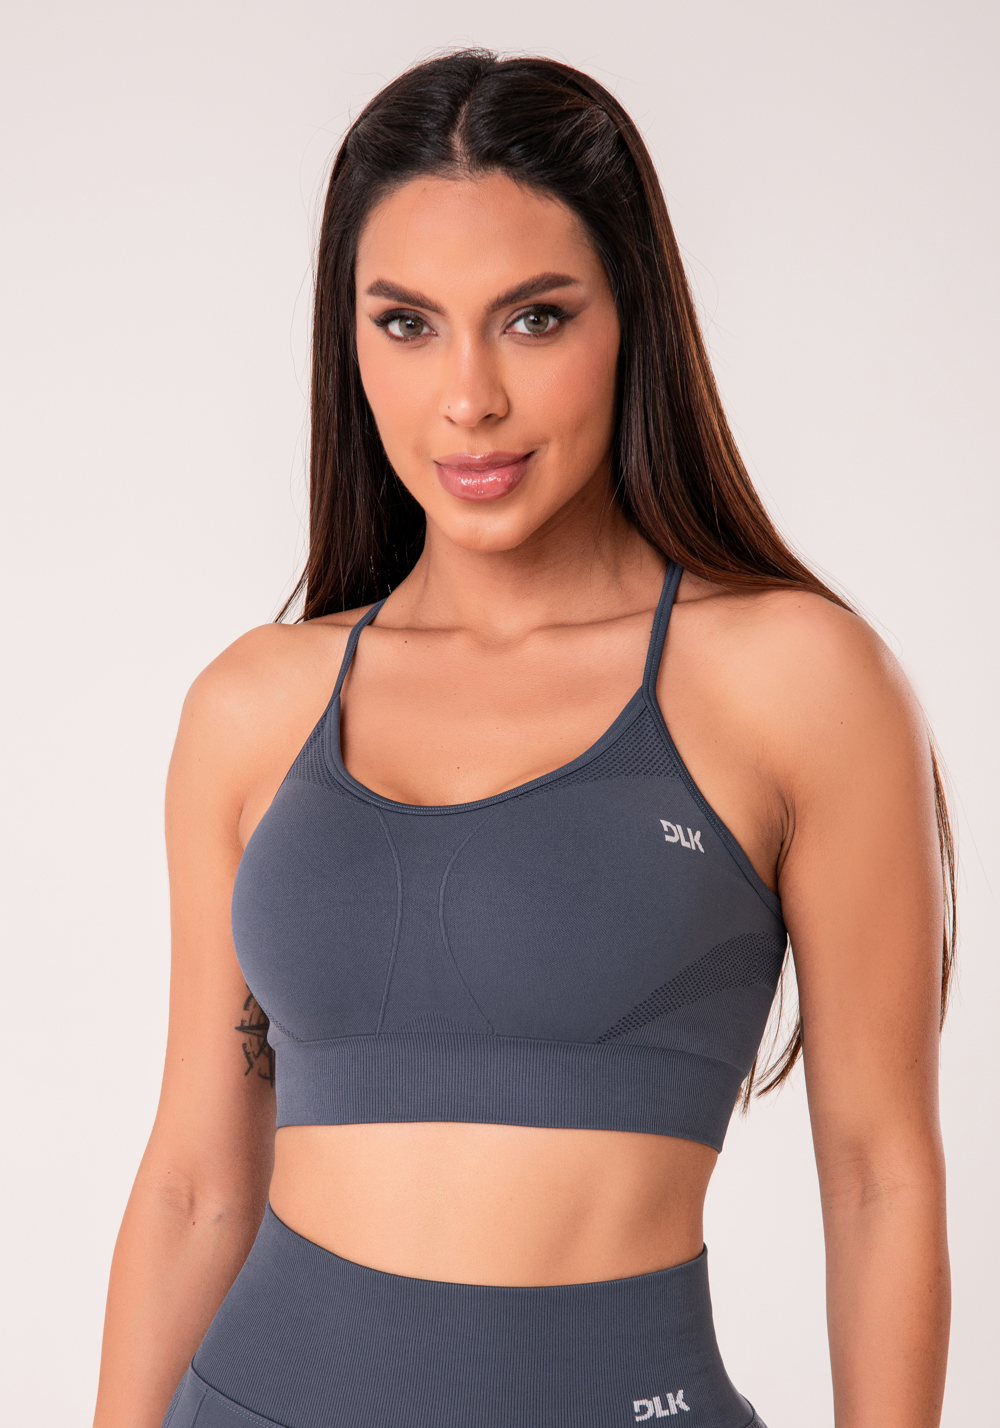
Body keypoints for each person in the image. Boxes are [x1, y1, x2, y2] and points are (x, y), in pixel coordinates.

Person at [93, 50, 953, 1428]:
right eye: (407, 323)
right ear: (349, 339)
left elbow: (877, 1177)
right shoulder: (255, 705)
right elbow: (197, 1185)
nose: (469, 397)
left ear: (633, 320)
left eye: (535, 318)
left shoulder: (795, 681)